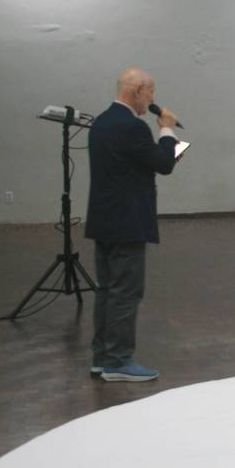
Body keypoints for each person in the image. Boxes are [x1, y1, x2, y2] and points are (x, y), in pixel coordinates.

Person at [85, 67, 179, 382]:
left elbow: (132, 164)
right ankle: (118, 360)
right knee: (126, 293)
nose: (152, 99)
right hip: (128, 222)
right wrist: (167, 130)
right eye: (151, 91)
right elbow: (163, 164)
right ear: (138, 89)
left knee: (107, 291)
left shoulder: (101, 122)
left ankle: (101, 357)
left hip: (104, 219)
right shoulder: (134, 127)